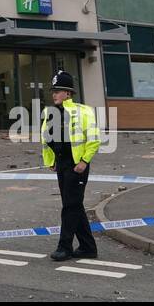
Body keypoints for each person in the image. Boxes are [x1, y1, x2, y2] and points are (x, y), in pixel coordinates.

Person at [39, 69, 101, 260]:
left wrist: (84, 161)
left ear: (68, 93)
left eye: (58, 90)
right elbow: (46, 139)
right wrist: (51, 161)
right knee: (73, 205)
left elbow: (94, 139)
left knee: (70, 206)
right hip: (62, 164)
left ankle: (64, 247)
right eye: (53, 91)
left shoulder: (83, 111)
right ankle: (88, 247)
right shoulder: (49, 113)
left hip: (77, 165)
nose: (54, 94)